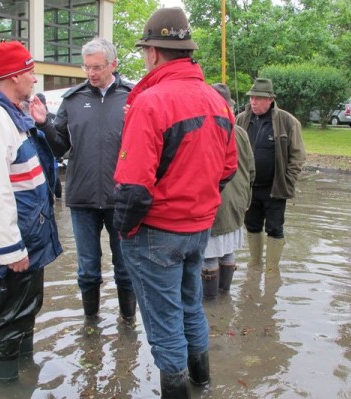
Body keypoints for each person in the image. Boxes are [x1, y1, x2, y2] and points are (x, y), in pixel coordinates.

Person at [112, 8, 238, 398]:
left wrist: (125, 232)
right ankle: (203, 383)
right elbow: (228, 168)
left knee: (165, 324)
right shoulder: (218, 102)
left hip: (156, 233)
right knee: (191, 308)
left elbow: (133, 187)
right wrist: (195, 197)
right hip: (198, 228)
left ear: (152, 51)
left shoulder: (150, 103)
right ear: (185, 50)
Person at [0, 40, 62, 381]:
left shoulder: (10, 113)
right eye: (30, 73)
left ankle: (25, 372)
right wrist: (10, 248)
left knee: (27, 312)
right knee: (11, 321)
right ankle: (6, 385)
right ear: (15, 76)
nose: (34, 79)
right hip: (13, 242)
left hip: (28, 231)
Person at [31, 37, 136, 322]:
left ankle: (128, 324)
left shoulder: (134, 96)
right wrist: (44, 124)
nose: (91, 73)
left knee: (125, 267)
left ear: (113, 64)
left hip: (122, 197)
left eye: (97, 67)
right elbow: (60, 146)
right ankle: (91, 325)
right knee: (88, 268)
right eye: (86, 67)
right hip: (82, 197)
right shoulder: (73, 100)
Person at [236, 78, 306, 270]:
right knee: (251, 226)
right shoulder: (241, 119)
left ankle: (272, 271)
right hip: (249, 189)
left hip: (274, 188)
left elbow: (298, 156)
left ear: (270, 99)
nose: (253, 102)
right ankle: (255, 265)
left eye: (258, 98)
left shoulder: (287, 121)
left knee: (275, 228)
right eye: (252, 98)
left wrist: (288, 181)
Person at [201, 83, 255, 298]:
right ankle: (225, 297)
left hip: (216, 200)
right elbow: (251, 169)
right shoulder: (240, 131)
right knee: (227, 251)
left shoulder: (206, 128)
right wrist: (246, 198)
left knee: (209, 255)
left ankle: (211, 303)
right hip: (238, 201)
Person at [34, 92, 62, 199]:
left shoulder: (53, 117)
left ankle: (57, 200)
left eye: (42, 102)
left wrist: (59, 155)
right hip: (38, 157)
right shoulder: (32, 117)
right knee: (43, 182)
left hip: (52, 156)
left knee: (56, 181)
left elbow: (57, 136)